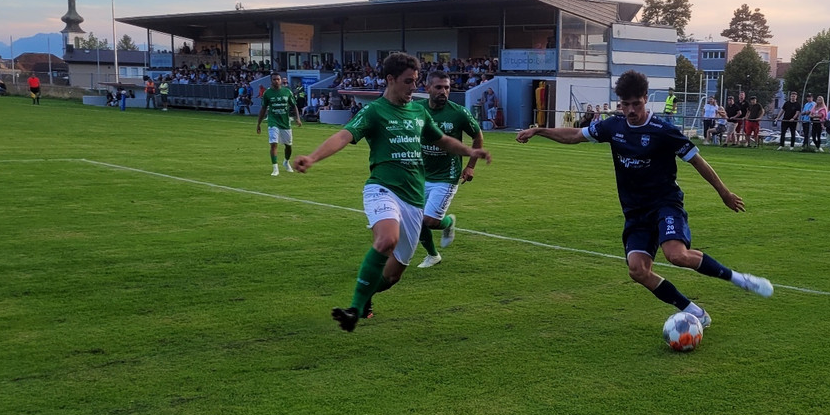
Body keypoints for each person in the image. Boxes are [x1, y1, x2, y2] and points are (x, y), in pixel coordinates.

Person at [516, 70, 772, 328]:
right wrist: (539, 130)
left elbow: (697, 161)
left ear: (645, 99)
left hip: (665, 204)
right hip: (635, 212)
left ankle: (740, 279)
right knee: (638, 270)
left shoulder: (663, 130)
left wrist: (724, 193)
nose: (630, 110)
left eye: (636, 104)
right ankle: (695, 311)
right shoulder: (612, 126)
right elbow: (574, 135)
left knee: (676, 255)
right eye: (625, 104)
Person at [293, 52, 492, 332]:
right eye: (408, 82)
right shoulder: (374, 111)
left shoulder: (418, 111)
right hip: (382, 187)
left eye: (416, 81)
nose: (414, 88)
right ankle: (353, 310)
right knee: (387, 239)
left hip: (413, 197)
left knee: (393, 275)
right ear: (390, 79)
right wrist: (313, 157)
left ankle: (366, 299)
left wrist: (470, 151)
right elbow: (344, 135)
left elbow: (444, 140)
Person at [413, 70, 484, 270]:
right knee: (415, 219)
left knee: (428, 220)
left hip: (447, 175)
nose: (443, 91)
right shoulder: (415, 109)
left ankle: (447, 222)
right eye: (438, 87)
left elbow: (478, 137)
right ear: (427, 88)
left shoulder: (458, 112)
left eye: (447, 87)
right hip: (420, 174)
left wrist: (470, 166)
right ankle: (433, 255)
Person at [256, 73, 302, 176]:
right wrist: (258, 124)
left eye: (278, 79)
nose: (276, 81)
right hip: (273, 121)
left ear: (281, 80)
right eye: (274, 79)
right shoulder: (267, 93)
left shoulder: (287, 92)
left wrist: (298, 119)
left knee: (288, 146)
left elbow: (294, 106)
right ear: (271, 81)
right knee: (273, 143)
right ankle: (275, 168)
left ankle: (286, 161)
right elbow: (263, 109)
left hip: (285, 122)